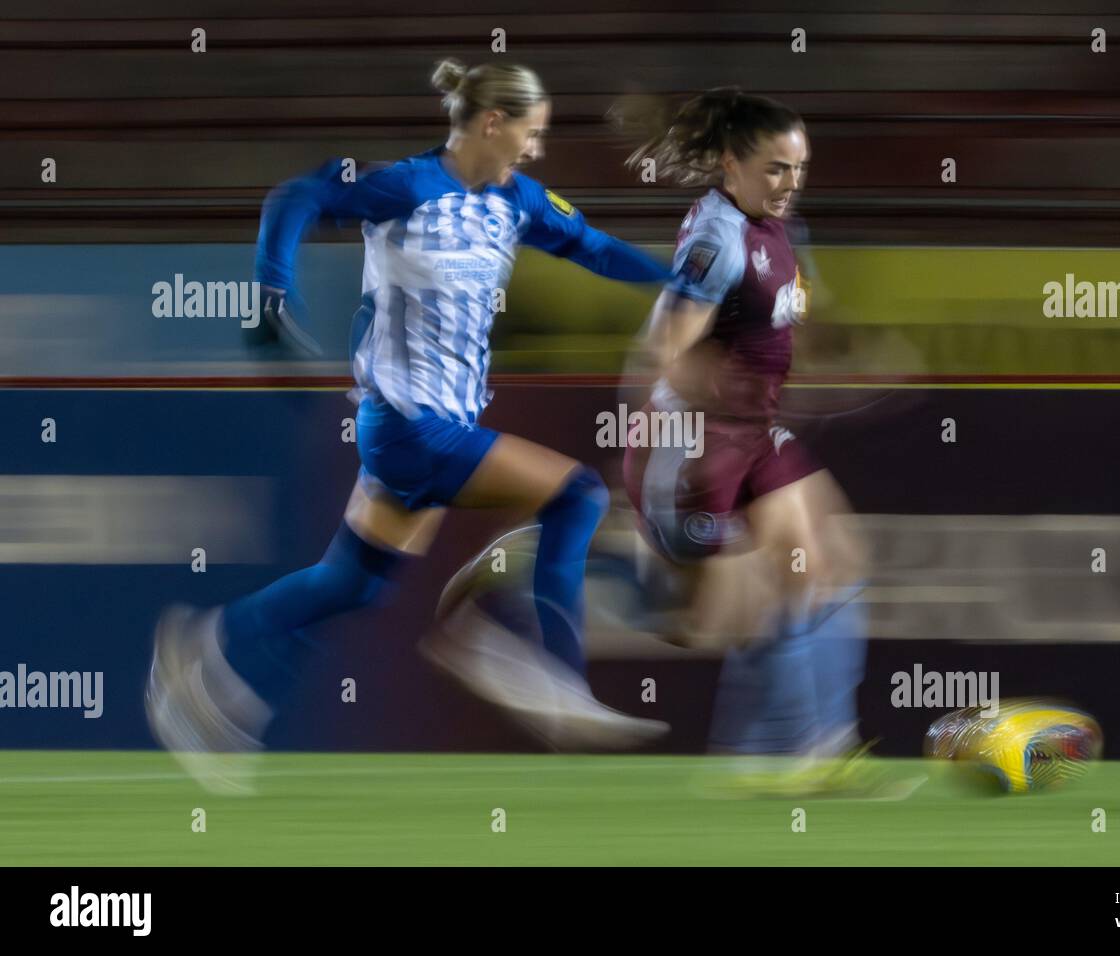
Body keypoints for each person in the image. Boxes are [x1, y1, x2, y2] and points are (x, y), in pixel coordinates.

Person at [147, 58, 670, 794]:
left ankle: (207, 646)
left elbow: (594, 248)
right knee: (577, 495)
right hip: (408, 427)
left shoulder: (517, 200)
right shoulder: (403, 186)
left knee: (352, 583)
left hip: (433, 424)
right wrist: (270, 293)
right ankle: (557, 680)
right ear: (493, 123)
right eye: (532, 132)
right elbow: (298, 194)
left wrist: (678, 281)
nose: (536, 149)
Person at [618, 89, 871, 780]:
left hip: (753, 433)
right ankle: (779, 754)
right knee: (717, 617)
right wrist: (722, 386)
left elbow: (789, 322)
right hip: (696, 443)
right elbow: (664, 348)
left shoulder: (780, 228)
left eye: (799, 168)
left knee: (831, 561)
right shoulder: (716, 239)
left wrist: (847, 357)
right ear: (731, 165)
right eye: (776, 169)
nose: (790, 184)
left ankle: (811, 752)